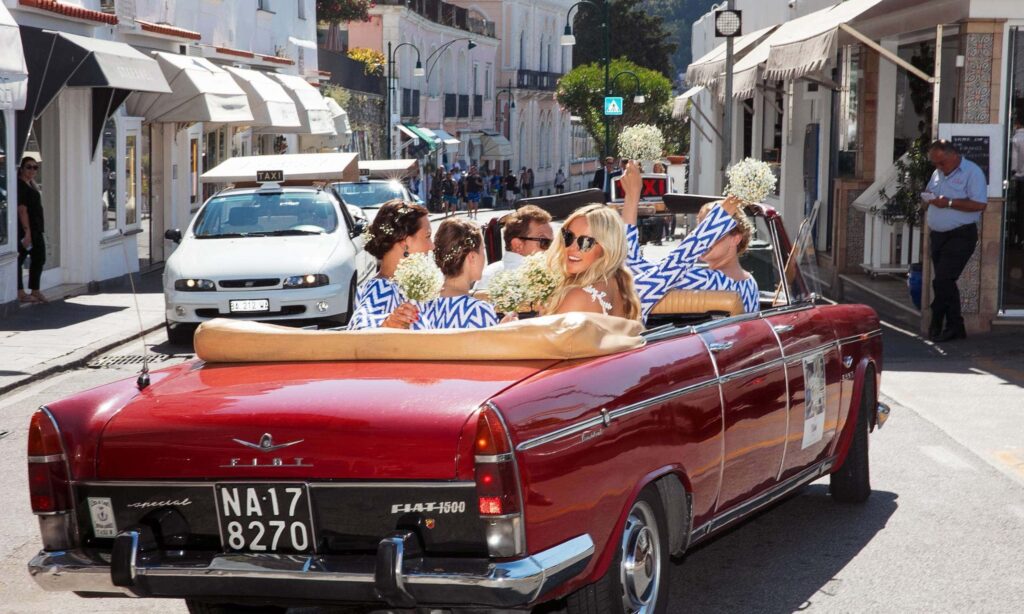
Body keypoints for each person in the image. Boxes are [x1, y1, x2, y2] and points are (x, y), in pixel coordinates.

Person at [619, 162, 759, 319]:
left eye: (713, 232)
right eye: (699, 227)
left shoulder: (709, 280)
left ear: (735, 239)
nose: (701, 235)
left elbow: (632, 266)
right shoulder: (750, 282)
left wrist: (632, 196)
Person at [923, 139, 988, 342]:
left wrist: (948, 203)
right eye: (935, 163)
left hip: (960, 234)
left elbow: (979, 205)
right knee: (944, 281)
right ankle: (954, 326)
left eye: (941, 162)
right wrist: (928, 201)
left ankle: (941, 319)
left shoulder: (972, 172)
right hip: (938, 235)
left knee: (943, 279)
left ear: (953, 156)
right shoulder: (937, 173)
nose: (938, 167)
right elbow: (930, 194)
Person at [542, 204, 641, 320]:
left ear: (606, 248)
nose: (572, 248)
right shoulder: (618, 284)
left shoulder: (579, 296)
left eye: (585, 242)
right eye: (568, 236)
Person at [347, 200, 433, 330]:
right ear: (405, 242)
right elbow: (360, 326)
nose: (432, 246)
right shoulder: (382, 287)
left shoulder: (396, 285)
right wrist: (387, 322)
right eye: (427, 236)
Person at [422, 218, 512, 329]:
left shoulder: (423, 306)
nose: (484, 256)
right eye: (483, 249)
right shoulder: (478, 311)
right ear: (472, 257)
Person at [478, 205, 554, 288]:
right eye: (545, 242)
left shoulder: (488, 273)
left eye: (553, 243)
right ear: (518, 245)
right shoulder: (541, 278)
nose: (551, 249)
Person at [17, 156, 47, 304]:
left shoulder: (32, 185)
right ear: (22, 168)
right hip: (26, 230)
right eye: (29, 167)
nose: (32, 170)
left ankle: (35, 290)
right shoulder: (20, 186)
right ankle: (20, 293)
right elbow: (22, 210)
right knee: (19, 259)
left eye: (35, 167)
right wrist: (27, 232)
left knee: (39, 258)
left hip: (36, 229)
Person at [1011, 118, 1024, 247]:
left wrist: (1013, 172)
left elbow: (1014, 160)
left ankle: (1020, 237)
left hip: (1021, 178)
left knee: (1020, 209)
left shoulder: (1017, 138)